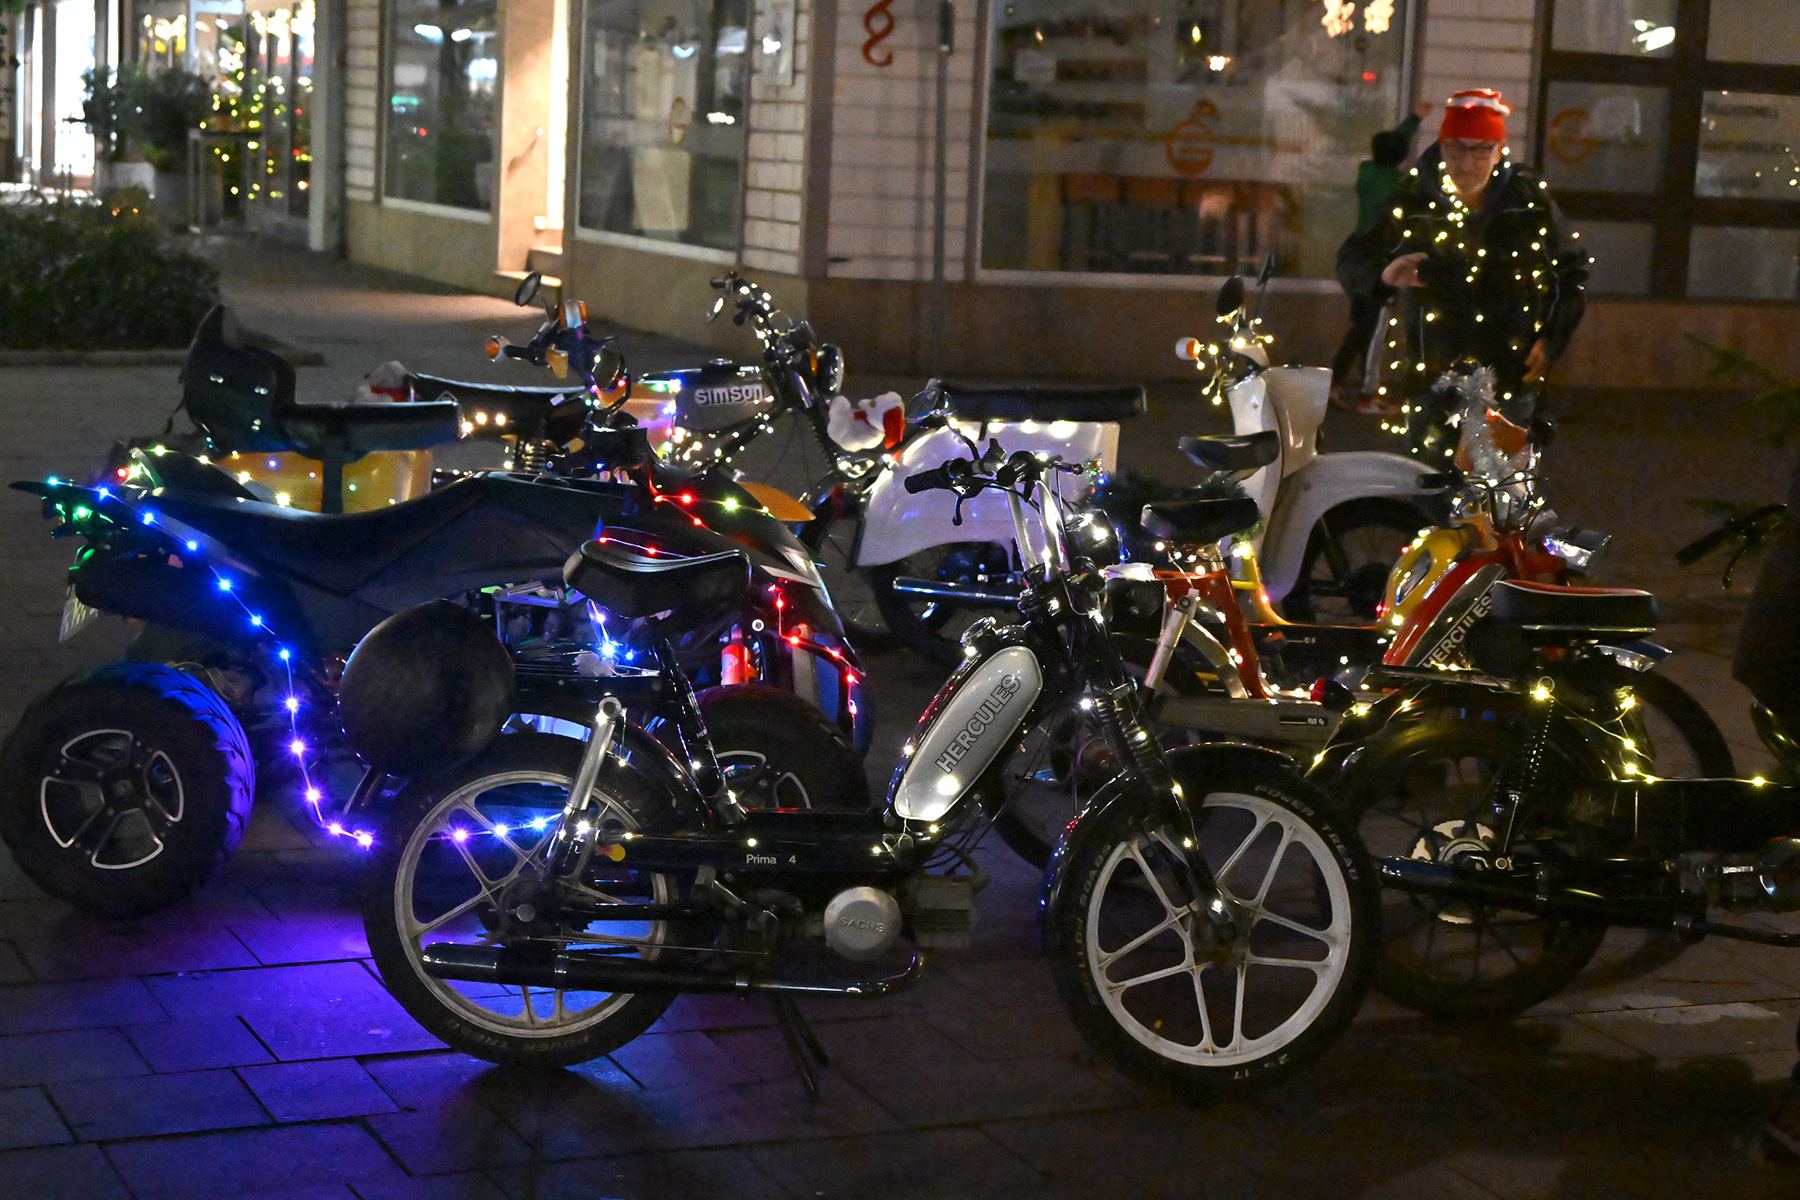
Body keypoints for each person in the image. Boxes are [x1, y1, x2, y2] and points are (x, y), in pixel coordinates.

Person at [1342, 89, 1590, 464]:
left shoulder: (1526, 202)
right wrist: (1382, 276)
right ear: (1442, 147)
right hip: (1434, 379)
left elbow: (1571, 269)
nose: (1467, 164)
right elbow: (1355, 257)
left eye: (1480, 151)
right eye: (1456, 150)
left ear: (1499, 151)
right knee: (1432, 487)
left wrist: (1552, 336)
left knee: (1501, 490)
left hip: (1509, 377)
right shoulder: (1415, 200)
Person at [1332, 100, 1435, 407]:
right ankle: (1367, 391)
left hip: (1353, 253)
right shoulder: (1398, 186)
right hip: (1377, 259)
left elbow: (1392, 144)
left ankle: (1337, 381)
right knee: (1375, 326)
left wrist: (1415, 118)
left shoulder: (1367, 171)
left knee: (1363, 323)